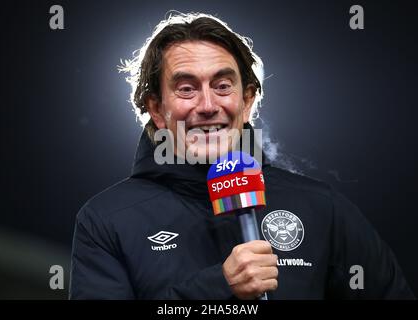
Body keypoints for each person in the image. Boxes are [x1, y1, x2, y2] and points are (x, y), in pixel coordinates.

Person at [69, 12, 414, 299]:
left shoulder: (322, 207)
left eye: (222, 86)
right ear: (157, 110)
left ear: (247, 101)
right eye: (186, 89)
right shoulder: (106, 220)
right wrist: (218, 287)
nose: (207, 106)